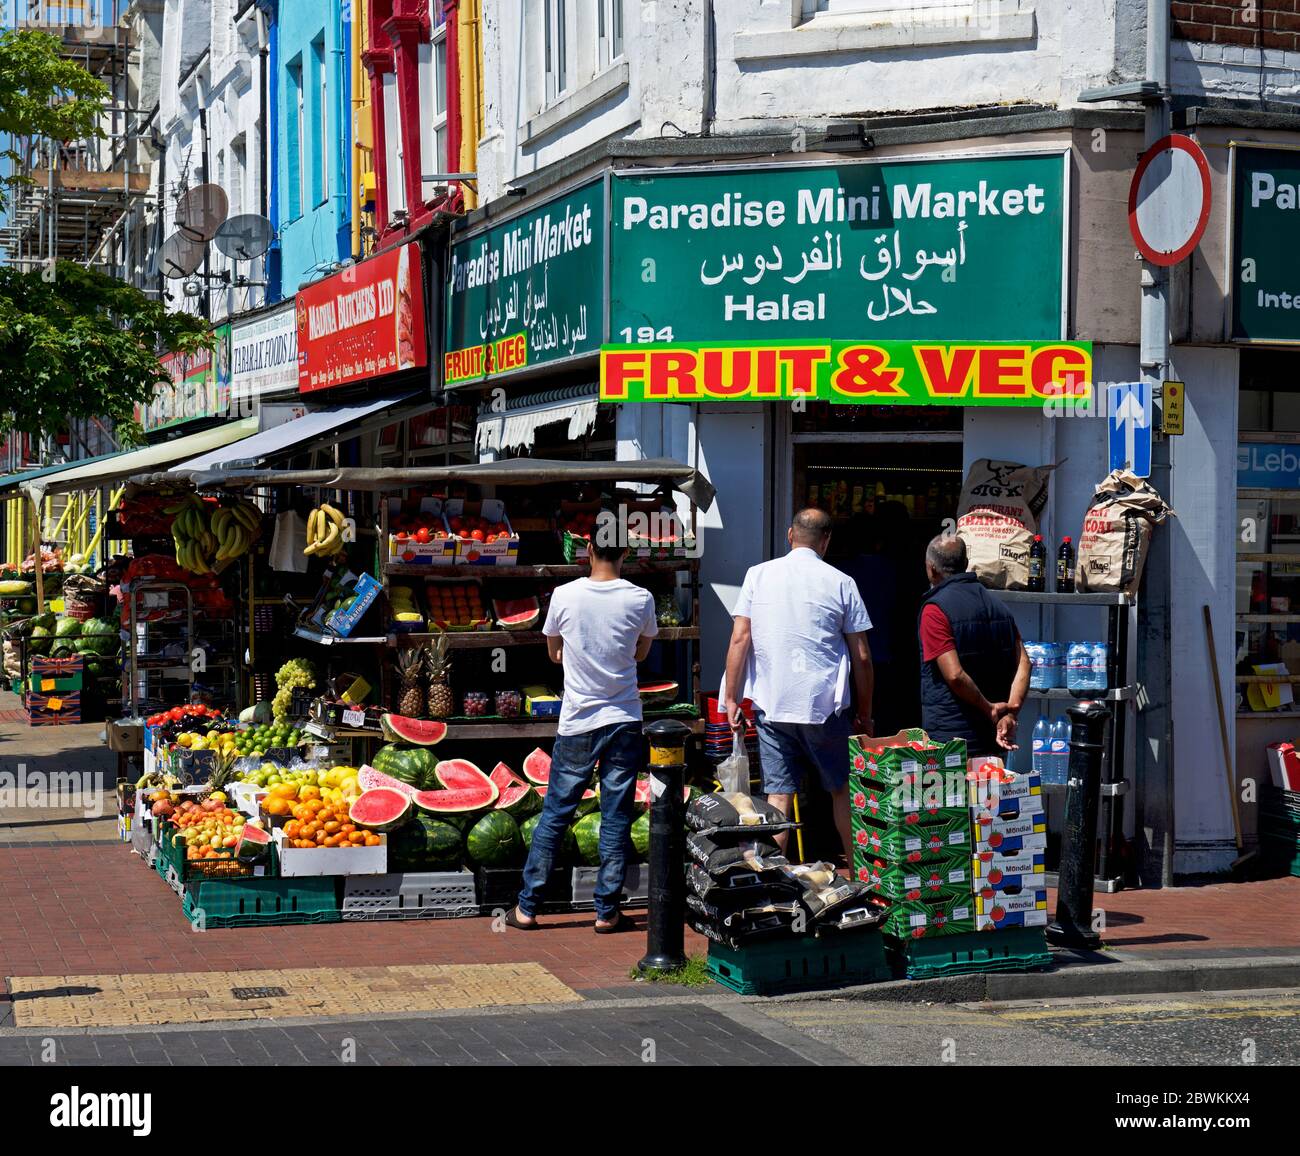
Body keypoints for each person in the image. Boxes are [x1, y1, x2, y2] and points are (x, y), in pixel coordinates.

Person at [508, 537, 657, 934]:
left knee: (556, 812)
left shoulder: (564, 595)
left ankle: (526, 908)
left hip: (577, 720)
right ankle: (607, 912)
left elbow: (553, 652)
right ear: (625, 552)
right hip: (624, 717)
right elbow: (641, 654)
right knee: (616, 814)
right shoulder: (641, 598)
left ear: (587, 550)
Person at [721, 508, 874, 862]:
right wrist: (865, 712)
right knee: (841, 791)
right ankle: (858, 874)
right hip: (824, 706)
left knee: (778, 796)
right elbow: (862, 656)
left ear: (790, 535)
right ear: (826, 541)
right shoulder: (841, 582)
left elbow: (739, 638)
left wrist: (731, 698)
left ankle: (772, 883)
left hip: (772, 705)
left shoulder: (758, 575)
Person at [918, 533, 1031, 755]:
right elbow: (1025, 663)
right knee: (988, 790)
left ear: (931, 568)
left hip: (950, 738)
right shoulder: (999, 606)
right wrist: (1011, 710)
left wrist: (988, 708)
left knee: (954, 791)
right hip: (993, 736)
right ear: (966, 563)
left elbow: (955, 676)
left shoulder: (935, 610)